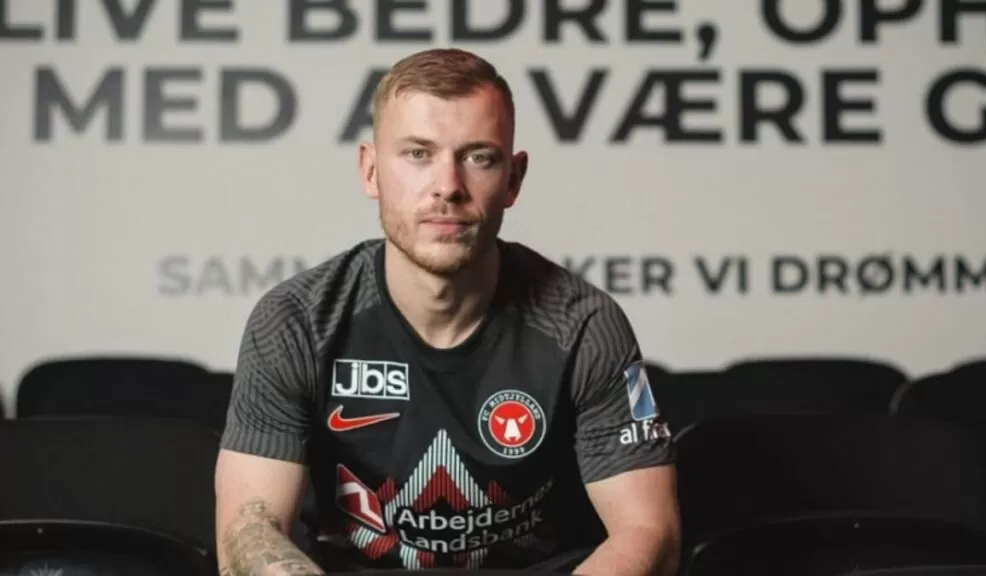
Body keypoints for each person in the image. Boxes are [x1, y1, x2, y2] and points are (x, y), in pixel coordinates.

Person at [213, 47, 681, 575]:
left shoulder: (582, 326)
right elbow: (247, 533)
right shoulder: (297, 322)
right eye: (418, 154)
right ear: (370, 171)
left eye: (479, 157)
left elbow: (649, 533)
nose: (448, 187)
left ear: (513, 179)